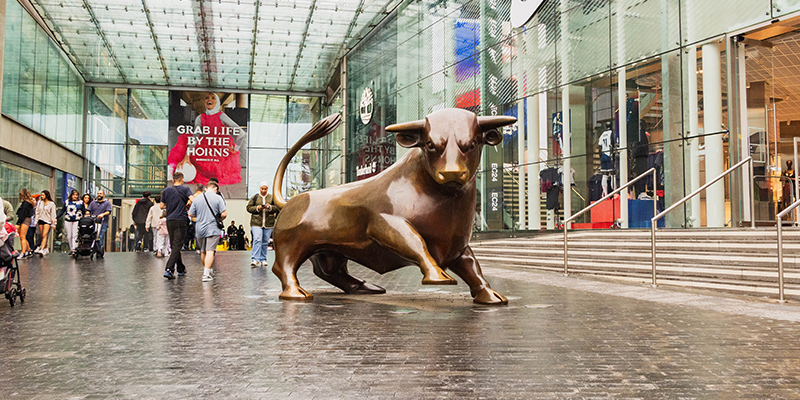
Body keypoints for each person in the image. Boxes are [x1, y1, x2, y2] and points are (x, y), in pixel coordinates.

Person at [168, 93, 245, 186]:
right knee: (185, 139)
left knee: (187, 142)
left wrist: (236, 149)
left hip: (219, 152)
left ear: (217, 102)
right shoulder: (200, 118)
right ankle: (173, 168)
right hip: (209, 149)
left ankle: (173, 170)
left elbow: (241, 132)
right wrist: (187, 156)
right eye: (207, 98)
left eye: (213, 98)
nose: (209, 100)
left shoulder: (221, 116)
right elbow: (195, 137)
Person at [188, 181, 227, 281]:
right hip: (213, 228)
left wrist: (201, 216)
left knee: (203, 251)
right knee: (210, 250)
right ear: (215, 188)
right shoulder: (218, 198)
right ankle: (206, 274)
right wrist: (219, 217)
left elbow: (191, 214)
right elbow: (224, 214)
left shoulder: (197, 199)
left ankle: (207, 270)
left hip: (200, 228)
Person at [160, 172, 194, 279]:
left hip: (170, 220)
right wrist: (187, 204)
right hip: (181, 220)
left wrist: (170, 204)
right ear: (182, 180)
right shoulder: (185, 189)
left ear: (173, 180)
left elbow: (161, 206)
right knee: (177, 245)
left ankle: (180, 268)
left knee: (175, 243)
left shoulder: (166, 190)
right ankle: (169, 269)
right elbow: (193, 199)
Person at [246, 181, 279, 267]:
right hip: (256, 223)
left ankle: (263, 259)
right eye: (262, 188)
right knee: (257, 239)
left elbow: (277, 208)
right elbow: (248, 208)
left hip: (268, 223)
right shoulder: (255, 197)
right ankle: (255, 259)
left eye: (265, 189)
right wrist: (258, 208)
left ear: (267, 189)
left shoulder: (271, 198)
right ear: (259, 188)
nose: (264, 190)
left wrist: (270, 207)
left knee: (265, 242)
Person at [56, 189, 84, 254]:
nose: (75, 196)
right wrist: (57, 217)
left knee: (75, 234)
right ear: (71, 195)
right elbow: (62, 211)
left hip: (77, 220)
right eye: (74, 195)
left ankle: (74, 248)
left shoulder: (80, 202)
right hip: (68, 220)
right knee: (69, 235)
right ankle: (71, 248)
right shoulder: (67, 202)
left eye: (76, 195)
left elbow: (84, 210)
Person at [87, 189, 112, 257]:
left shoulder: (107, 203)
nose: (99, 195)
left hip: (103, 223)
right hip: (94, 222)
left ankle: (99, 250)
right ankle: (92, 248)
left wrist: (102, 214)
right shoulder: (93, 203)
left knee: (100, 236)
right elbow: (88, 210)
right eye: (98, 193)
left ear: (103, 195)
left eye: (100, 193)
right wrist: (87, 214)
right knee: (93, 236)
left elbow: (108, 211)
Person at [33, 190, 57, 256]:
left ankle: (42, 249)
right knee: (41, 235)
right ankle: (46, 248)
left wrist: (53, 224)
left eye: (43, 195)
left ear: (47, 195)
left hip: (47, 220)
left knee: (44, 235)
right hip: (40, 219)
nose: (42, 196)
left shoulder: (52, 204)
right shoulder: (40, 203)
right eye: (41, 195)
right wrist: (35, 221)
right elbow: (37, 212)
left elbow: (53, 214)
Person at [15, 189, 35, 259]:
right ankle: (28, 250)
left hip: (25, 220)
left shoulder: (26, 204)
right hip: (27, 219)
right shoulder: (29, 203)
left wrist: (18, 223)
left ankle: (23, 252)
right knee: (23, 236)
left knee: (22, 237)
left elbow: (22, 214)